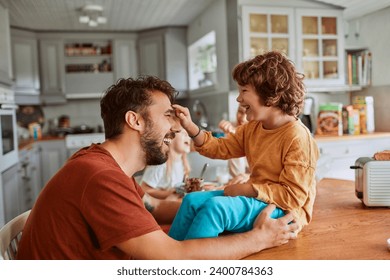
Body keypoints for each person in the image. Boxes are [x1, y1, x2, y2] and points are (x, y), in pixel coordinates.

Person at [17, 75, 298, 260]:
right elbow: (173, 258)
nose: (176, 128)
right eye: (167, 116)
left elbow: (155, 207)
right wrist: (259, 238)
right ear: (134, 121)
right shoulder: (100, 177)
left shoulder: (104, 166)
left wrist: (223, 202)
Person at [170, 51, 319, 241]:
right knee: (191, 201)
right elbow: (220, 148)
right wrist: (191, 127)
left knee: (216, 208)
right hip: (258, 199)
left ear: (270, 96)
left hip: (285, 211)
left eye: (244, 91)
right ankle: (168, 258)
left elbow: (293, 195)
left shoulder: (297, 137)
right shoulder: (252, 128)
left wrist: (247, 189)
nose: (238, 99)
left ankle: (192, 265)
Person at [140, 128, 191, 199]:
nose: (188, 137)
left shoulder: (183, 164)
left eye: (189, 135)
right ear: (171, 137)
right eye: (184, 133)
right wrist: (169, 193)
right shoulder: (160, 164)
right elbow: (144, 189)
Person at [218, 105, 250, 185]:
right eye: (240, 111)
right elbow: (237, 174)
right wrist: (233, 139)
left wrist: (250, 176)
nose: (242, 118)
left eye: (248, 113)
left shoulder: (262, 135)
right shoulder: (232, 128)